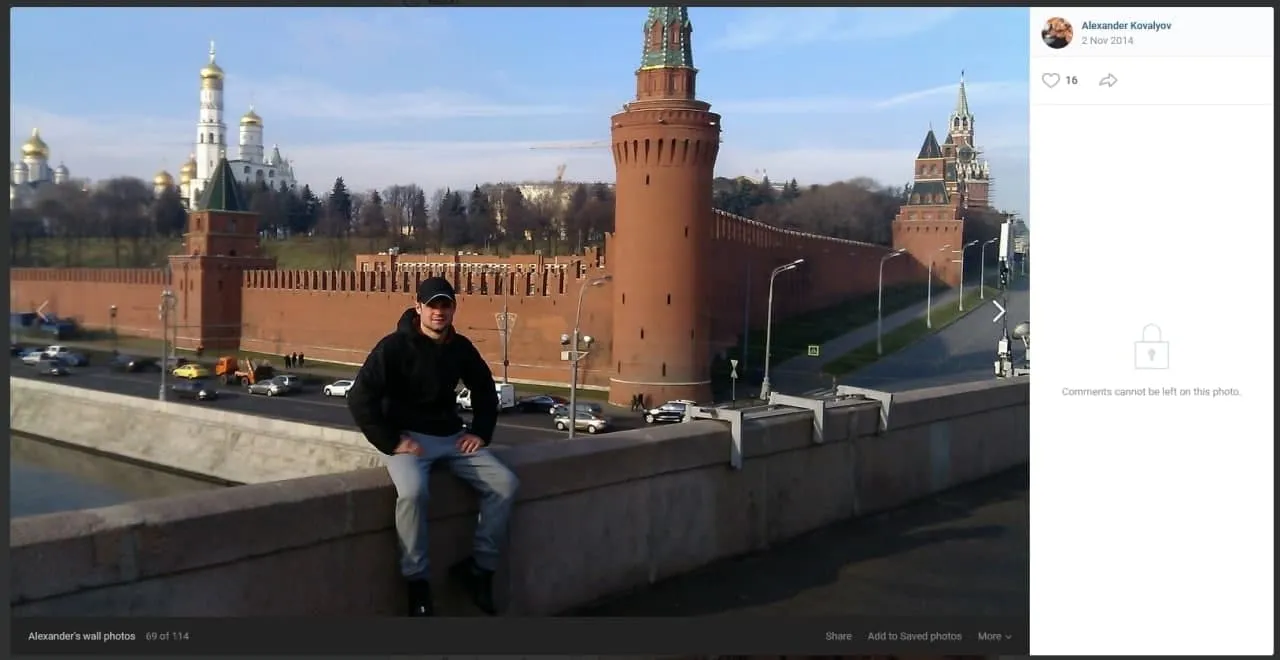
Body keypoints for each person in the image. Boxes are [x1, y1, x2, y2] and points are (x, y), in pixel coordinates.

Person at [346, 276, 520, 617]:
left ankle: (480, 570)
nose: (438, 312)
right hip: (407, 440)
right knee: (412, 493)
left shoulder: (461, 348)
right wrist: (392, 441)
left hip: (451, 438)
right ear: (418, 308)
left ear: (453, 309)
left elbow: (485, 389)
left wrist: (481, 432)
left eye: (445, 305)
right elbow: (359, 398)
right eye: (432, 305)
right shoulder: (393, 347)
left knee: (505, 484)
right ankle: (418, 584)